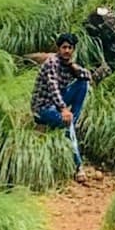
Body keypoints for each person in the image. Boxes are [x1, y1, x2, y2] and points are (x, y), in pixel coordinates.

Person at [32, 33, 91, 179]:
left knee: (83, 83)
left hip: (57, 105)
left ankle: (71, 123)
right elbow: (53, 88)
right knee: (68, 122)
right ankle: (78, 166)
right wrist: (64, 109)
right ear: (59, 49)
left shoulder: (68, 64)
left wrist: (74, 68)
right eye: (64, 47)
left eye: (70, 48)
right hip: (44, 106)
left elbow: (88, 76)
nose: (67, 51)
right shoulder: (52, 63)